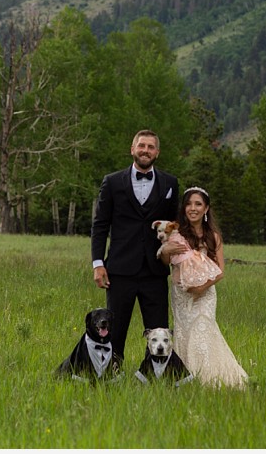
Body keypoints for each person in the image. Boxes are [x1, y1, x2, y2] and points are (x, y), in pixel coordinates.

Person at [91, 129, 180, 361]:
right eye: (141, 146)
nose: (145, 150)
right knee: (115, 328)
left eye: (151, 147)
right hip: (119, 270)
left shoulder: (170, 183)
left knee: (159, 331)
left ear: (157, 152)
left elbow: (175, 227)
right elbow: (100, 225)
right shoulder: (111, 182)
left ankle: (155, 376)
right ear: (132, 149)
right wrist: (98, 263)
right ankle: (112, 373)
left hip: (155, 271)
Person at [163, 186, 248, 389]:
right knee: (184, 332)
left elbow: (220, 270)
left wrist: (203, 287)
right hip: (180, 292)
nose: (193, 208)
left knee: (202, 330)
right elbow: (165, 262)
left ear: (206, 208)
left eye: (198, 204)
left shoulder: (213, 236)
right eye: (189, 204)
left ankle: (210, 377)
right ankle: (185, 377)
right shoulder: (176, 233)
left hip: (205, 294)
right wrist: (166, 250)